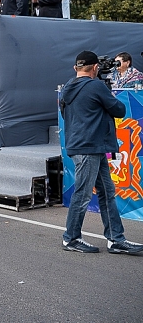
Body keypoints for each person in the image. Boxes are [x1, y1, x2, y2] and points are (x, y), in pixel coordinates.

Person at [59, 51, 143, 254]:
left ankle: (116, 239)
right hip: (91, 146)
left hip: (85, 146)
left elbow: (65, 113)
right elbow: (120, 110)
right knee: (83, 193)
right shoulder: (96, 86)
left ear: (75, 68)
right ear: (95, 68)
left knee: (106, 193)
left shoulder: (68, 88)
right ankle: (71, 238)